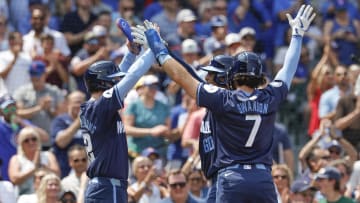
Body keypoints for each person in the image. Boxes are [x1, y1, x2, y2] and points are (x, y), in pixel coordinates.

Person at [139, 4, 316, 202]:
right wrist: (297, 36)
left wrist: (160, 50)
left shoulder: (223, 98)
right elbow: (288, 69)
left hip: (232, 178)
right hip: (263, 178)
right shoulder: (270, 96)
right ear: (259, 77)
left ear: (232, 77)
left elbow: (182, 77)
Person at [79, 36, 157, 202]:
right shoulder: (100, 106)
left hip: (104, 187)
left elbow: (121, 80)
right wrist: (153, 50)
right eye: (112, 81)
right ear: (103, 84)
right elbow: (131, 78)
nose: (117, 83)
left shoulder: (94, 107)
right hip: (108, 187)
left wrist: (130, 54)